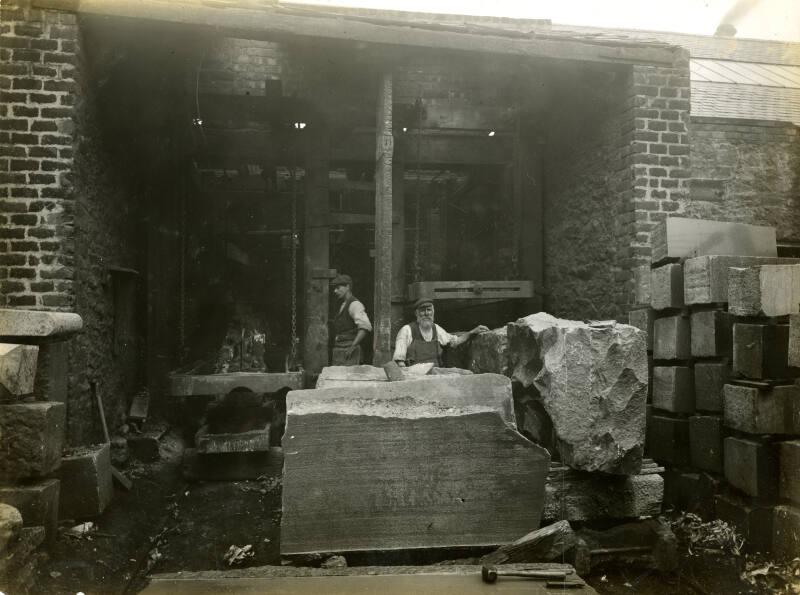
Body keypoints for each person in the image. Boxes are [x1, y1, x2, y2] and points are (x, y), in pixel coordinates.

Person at [392, 297, 489, 367]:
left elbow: (454, 342)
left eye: (429, 310)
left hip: (436, 374)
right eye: (422, 311)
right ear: (416, 313)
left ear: (433, 312)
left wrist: (472, 332)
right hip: (415, 375)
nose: (426, 313)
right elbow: (399, 361)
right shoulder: (407, 330)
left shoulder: (436, 329)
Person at [330, 274, 372, 366]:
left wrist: (353, 347)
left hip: (349, 352)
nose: (335, 291)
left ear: (347, 287)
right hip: (341, 348)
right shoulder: (343, 304)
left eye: (338, 287)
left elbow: (365, 327)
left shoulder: (355, 305)